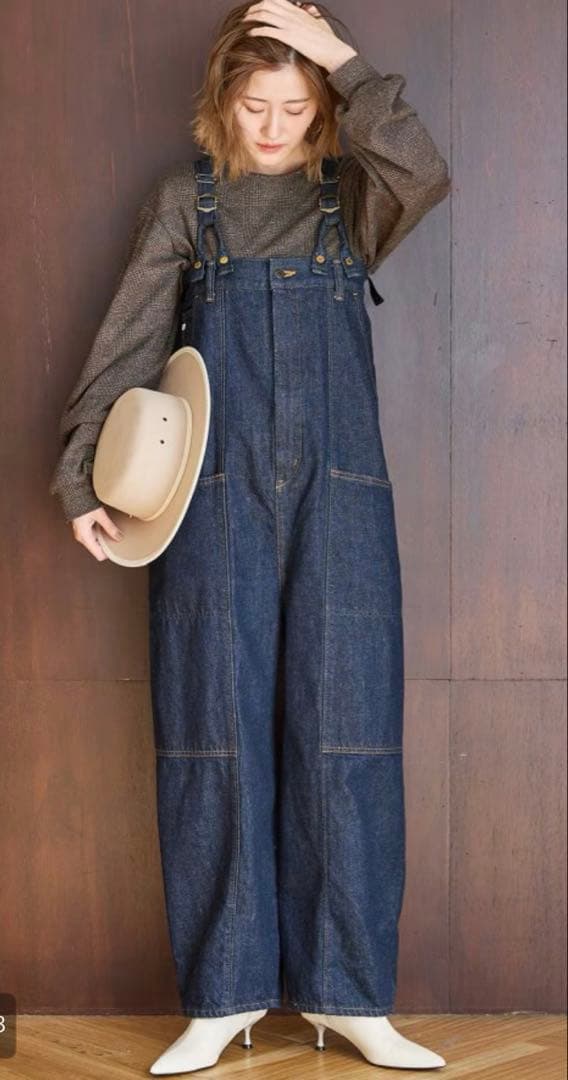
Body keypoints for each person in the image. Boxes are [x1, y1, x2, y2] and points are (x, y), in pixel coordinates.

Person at [50, 1, 451, 1072]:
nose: (273, 127)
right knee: (211, 736)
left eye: (296, 106)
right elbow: (128, 341)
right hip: (211, 501)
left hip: (341, 499)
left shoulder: (352, 198)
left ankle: (349, 997)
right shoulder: (184, 203)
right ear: (221, 101)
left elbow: (424, 171)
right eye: (254, 105)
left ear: (325, 106)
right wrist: (81, 474)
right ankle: (222, 998)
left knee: (348, 737)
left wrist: (341, 58)